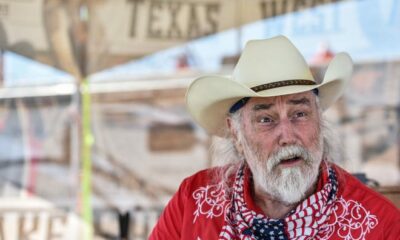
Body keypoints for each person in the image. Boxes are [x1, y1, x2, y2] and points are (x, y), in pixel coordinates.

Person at [149, 36, 400, 239]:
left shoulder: (378, 224)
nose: (288, 137)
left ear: (319, 120)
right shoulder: (192, 202)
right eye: (266, 120)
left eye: (300, 114)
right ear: (236, 133)